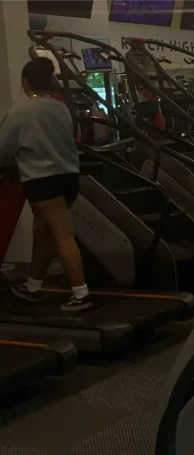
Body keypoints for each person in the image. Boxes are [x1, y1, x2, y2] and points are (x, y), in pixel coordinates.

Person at [0, 57, 92, 312]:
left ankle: (81, 293)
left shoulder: (21, 112)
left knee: (61, 235)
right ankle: (33, 287)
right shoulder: (60, 108)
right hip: (68, 177)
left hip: (42, 180)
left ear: (25, 82)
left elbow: (3, 150)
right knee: (43, 234)